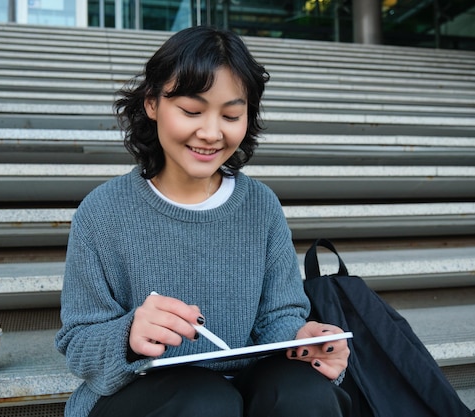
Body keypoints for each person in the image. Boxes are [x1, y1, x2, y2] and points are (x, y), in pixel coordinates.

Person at [55, 25, 351, 417]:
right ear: (152, 104)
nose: (211, 133)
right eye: (192, 111)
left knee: (304, 393)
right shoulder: (103, 212)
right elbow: (79, 344)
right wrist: (129, 335)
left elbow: (279, 316)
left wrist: (305, 340)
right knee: (206, 402)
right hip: (141, 393)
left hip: (247, 385)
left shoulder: (260, 205)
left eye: (231, 115)